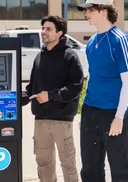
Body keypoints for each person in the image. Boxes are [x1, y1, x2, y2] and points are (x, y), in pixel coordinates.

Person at [76, 0, 128, 182]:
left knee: (119, 169)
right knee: (90, 169)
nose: (87, 13)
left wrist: (119, 117)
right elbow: (89, 75)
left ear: (103, 10)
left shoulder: (121, 40)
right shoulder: (92, 41)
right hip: (90, 111)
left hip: (112, 113)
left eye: (90, 9)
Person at [21, 15, 84, 182]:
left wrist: (50, 95)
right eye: (43, 28)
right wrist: (12, 99)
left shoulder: (70, 56)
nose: (43, 32)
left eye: (48, 29)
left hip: (62, 121)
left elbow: (76, 87)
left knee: (68, 164)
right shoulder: (39, 57)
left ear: (59, 33)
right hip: (40, 120)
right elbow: (31, 88)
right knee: (43, 164)